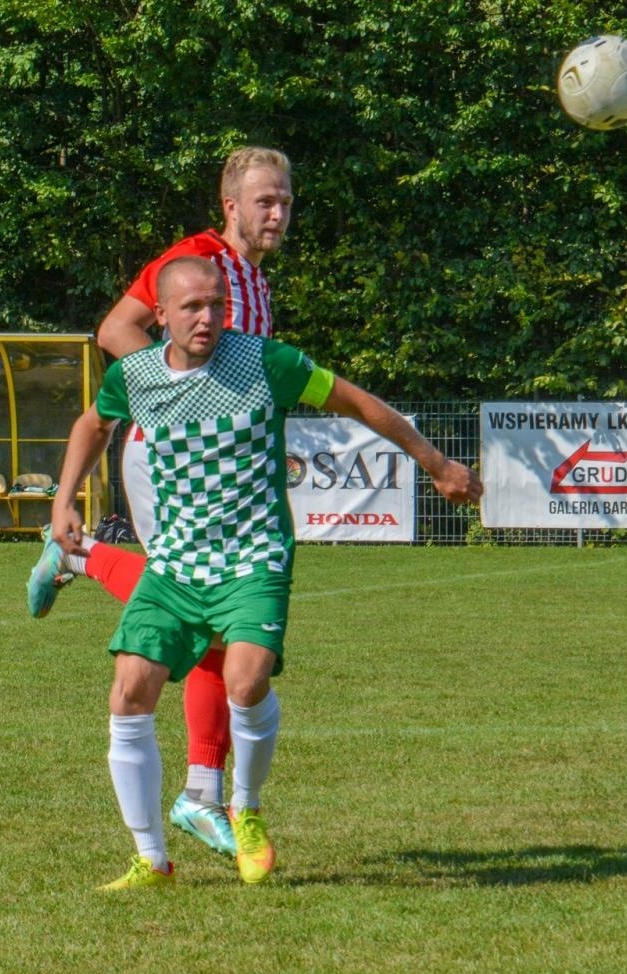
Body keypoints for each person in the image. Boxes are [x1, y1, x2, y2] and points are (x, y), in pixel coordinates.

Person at [49, 257, 482, 890]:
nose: (208, 318)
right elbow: (92, 424)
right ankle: (151, 858)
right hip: (175, 562)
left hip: (254, 556)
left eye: (217, 305)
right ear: (160, 315)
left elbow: (357, 403)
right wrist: (63, 501)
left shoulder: (266, 362)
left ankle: (243, 809)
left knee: (245, 682)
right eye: (193, 307)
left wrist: (437, 463)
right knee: (129, 690)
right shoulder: (134, 375)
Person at [27, 146, 295, 859]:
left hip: (220, 457)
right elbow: (116, 330)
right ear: (229, 205)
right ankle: (201, 794)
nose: (278, 213)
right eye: (264, 201)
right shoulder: (198, 259)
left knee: (217, 619)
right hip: (167, 452)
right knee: (198, 604)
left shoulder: (256, 284)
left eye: (285, 201)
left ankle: (78, 558)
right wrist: (184, 402)